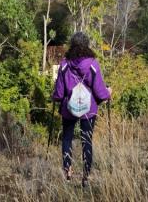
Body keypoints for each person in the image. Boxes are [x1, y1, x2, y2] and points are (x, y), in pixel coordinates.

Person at [52, 32, 111, 187]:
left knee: (66, 139)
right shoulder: (93, 64)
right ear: (86, 45)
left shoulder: (64, 64)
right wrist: (108, 93)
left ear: (72, 44)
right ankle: (86, 177)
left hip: (68, 108)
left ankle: (67, 172)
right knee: (87, 141)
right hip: (88, 110)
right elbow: (100, 92)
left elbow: (58, 94)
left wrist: (56, 97)